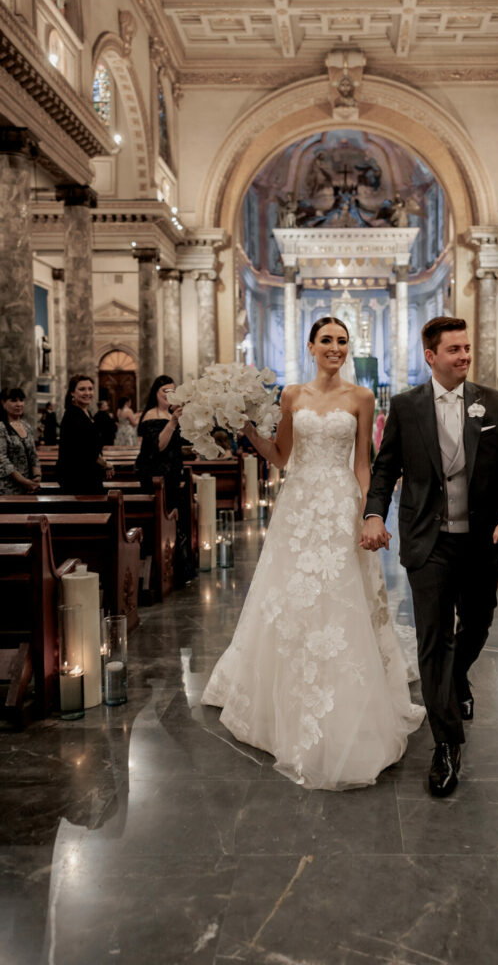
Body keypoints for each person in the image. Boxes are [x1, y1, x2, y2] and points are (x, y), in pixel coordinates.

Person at [202, 317, 426, 790]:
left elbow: (362, 463)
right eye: (327, 340)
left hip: (340, 504)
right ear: (311, 346)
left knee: (340, 594)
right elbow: (281, 456)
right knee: (291, 595)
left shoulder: (361, 397)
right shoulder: (292, 395)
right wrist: (246, 428)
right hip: (299, 507)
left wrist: (369, 515)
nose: (336, 348)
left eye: (342, 341)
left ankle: (344, 689)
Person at [360, 316, 498, 798]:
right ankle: (447, 744)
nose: (464, 356)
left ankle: (457, 679)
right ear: (430, 356)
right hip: (427, 540)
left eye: (467, 347)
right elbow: (384, 469)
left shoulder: (493, 403)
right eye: (454, 349)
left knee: (478, 622)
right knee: (434, 639)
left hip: (481, 539)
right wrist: (374, 515)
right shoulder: (406, 406)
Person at [135, 375, 194, 583]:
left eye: (172, 391)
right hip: (156, 477)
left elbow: (174, 446)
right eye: (164, 391)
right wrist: (173, 421)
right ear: (156, 393)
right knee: (166, 521)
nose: (169, 395)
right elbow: (159, 446)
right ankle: (165, 569)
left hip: (172, 474)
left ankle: (176, 568)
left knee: (175, 520)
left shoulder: (170, 414)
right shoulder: (151, 415)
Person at [57, 375, 114, 494]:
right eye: (82, 389)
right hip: (78, 476)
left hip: (88, 472)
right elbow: (87, 450)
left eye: (90, 389)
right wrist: (106, 464)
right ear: (72, 392)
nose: (87, 393)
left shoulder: (86, 412)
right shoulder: (73, 416)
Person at [0, 388, 41, 494]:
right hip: (7, 487)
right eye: (14, 400)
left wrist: (37, 476)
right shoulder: (1, 427)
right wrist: (23, 481)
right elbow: (2, 460)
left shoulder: (26, 426)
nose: (19, 404)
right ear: (3, 403)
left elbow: (33, 455)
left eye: (21, 400)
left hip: (28, 486)